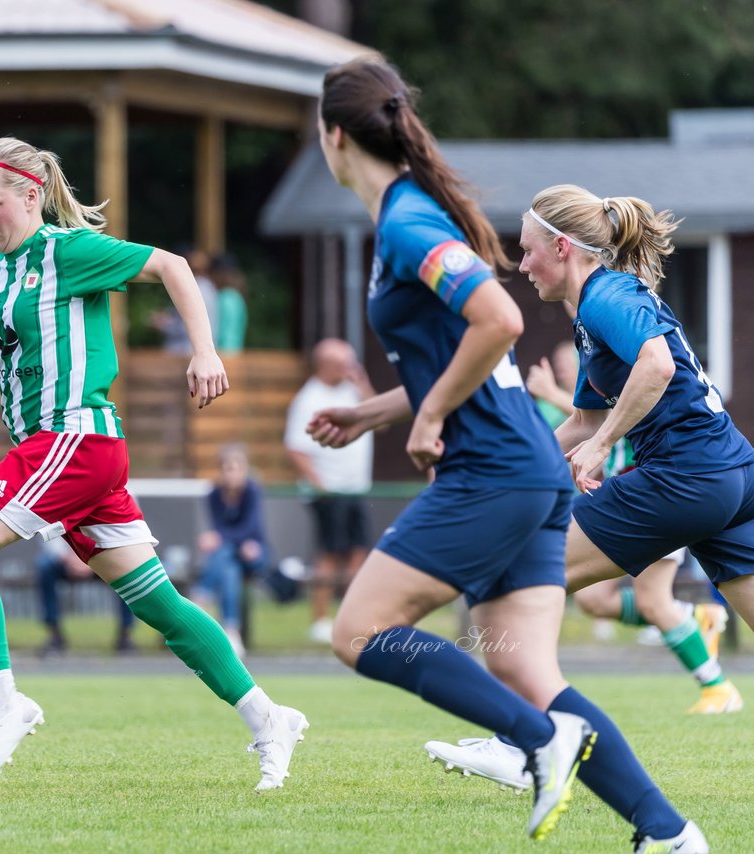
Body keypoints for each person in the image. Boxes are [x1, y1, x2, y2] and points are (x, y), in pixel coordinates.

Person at [308, 59, 703, 849]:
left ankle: (535, 740)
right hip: (525, 466)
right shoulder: (414, 216)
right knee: (528, 673)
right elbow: (471, 355)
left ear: (335, 135)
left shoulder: (407, 222)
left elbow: (500, 321)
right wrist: (377, 411)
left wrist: (429, 421)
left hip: (495, 471)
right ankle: (667, 834)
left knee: (359, 630)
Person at [0, 136, 307, 791]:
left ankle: (6, 708)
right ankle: (269, 718)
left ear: (31, 197)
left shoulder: (66, 253)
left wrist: (205, 351)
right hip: (62, 456)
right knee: (162, 607)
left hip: (76, 439)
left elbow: (173, 266)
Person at [422, 182, 754, 851]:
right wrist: (519, 466)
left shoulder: (608, 294)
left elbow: (655, 366)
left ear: (562, 248)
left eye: (527, 250)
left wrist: (603, 449)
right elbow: (585, 420)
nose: (521, 265)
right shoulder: (593, 310)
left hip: (685, 475)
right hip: (731, 476)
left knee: (509, 581)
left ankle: (522, 746)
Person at [525, 342, 738, 713]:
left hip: (656, 493)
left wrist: (552, 395)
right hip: (627, 493)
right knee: (594, 600)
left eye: (567, 363)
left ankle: (717, 687)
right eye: (560, 364)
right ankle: (692, 619)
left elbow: (598, 424)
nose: (563, 368)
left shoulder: (629, 369)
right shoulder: (603, 358)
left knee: (649, 602)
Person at [285, 338, 374, 645]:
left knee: (359, 553)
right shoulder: (309, 398)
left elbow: (379, 420)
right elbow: (295, 448)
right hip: (329, 492)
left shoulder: (351, 390)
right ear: (325, 364)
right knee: (329, 554)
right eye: (345, 363)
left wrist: (361, 382)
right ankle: (320, 621)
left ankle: (353, 617)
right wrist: (320, 485)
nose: (351, 368)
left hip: (356, 489)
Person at [191, 443, 267, 658]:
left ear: (245, 469)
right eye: (227, 468)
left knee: (223, 551)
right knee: (228, 568)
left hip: (254, 553)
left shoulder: (252, 491)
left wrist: (218, 538)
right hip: (229, 555)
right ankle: (231, 632)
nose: (231, 473)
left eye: (236, 468)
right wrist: (219, 538)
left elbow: (250, 528)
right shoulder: (214, 494)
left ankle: (201, 594)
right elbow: (219, 527)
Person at [35, 538, 135, 656]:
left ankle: (125, 635)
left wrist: (91, 558)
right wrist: (69, 557)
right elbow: (47, 534)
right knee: (44, 566)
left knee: (126, 569)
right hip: (66, 559)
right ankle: (54, 634)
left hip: (101, 555)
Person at [211, 254, 249, 353]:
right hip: (236, 350)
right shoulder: (237, 296)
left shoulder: (225, 297)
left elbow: (220, 331)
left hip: (223, 352)